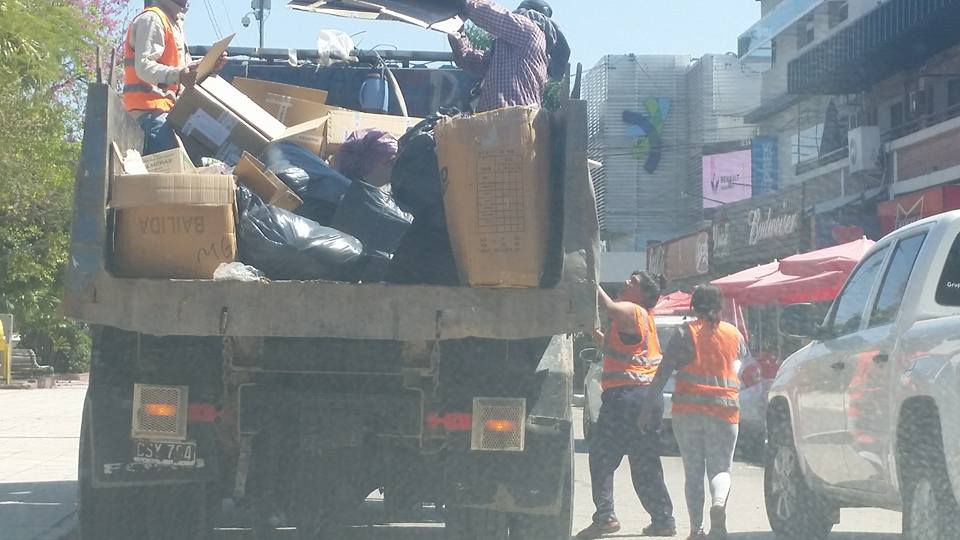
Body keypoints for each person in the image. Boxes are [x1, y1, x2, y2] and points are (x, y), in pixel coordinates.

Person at [639, 285, 748, 540]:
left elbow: (663, 371)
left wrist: (647, 407)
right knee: (721, 469)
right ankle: (718, 505)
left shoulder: (684, 333)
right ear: (720, 307)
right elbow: (739, 362)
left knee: (694, 471)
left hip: (688, 412)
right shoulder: (734, 334)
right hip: (725, 411)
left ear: (693, 306)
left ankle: (696, 530)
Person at [576, 272, 677, 539]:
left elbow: (607, 306)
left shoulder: (632, 310)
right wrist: (593, 332)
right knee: (645, 462)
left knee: (602, 456)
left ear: (642, 294)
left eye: (632, 283)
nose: (625, 283)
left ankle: (606, 516)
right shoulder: (645, 321)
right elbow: (618, 351)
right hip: (647, 399)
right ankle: (663, 519)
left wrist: (587, 277)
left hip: (625, 398)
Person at [123, 0, 224, 154]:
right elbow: (144, 67)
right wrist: (179, 75)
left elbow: (184, 71)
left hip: (166, 114)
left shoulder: (173, 23)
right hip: (149, 116)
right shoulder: (152, 19)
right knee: (179, 167)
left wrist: (208, 65)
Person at [448, 0, 570, 113]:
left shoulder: (530, 30)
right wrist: (456, 31)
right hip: (502, 122)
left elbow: (491, 16)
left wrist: (463, 3)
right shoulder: (508, 51)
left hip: (513, 119)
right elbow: (469, 59)